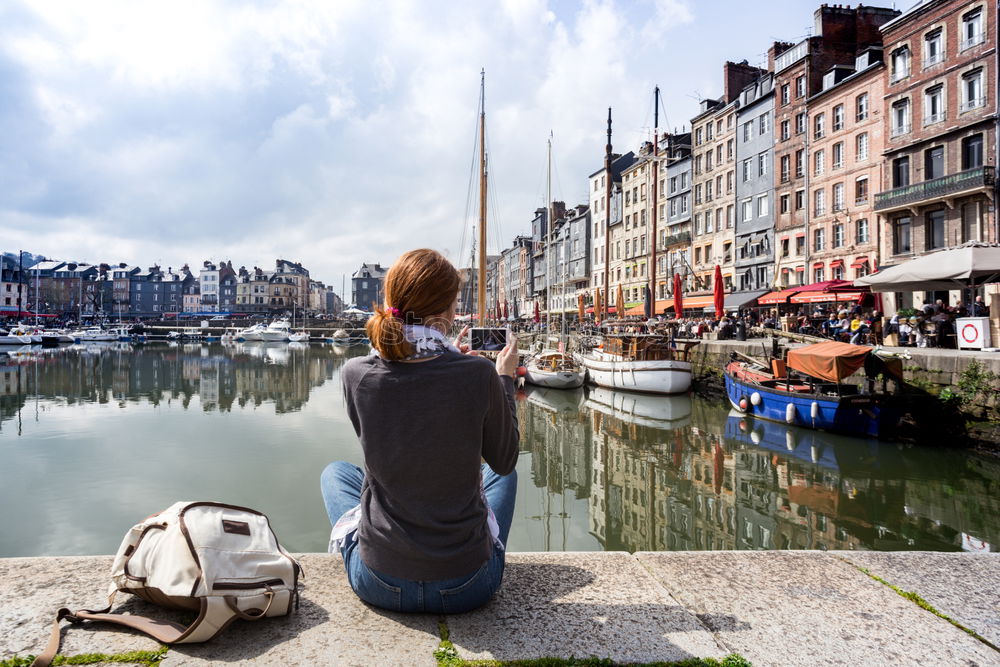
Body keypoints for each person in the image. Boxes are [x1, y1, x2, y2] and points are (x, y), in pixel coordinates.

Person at [321, 249, 520, 614]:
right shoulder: (478, 375)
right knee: (500, 475)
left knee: (336, 473)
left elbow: (392, 434)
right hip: (468, 584)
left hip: (379, 582)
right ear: (446, 311)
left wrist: (449, 360)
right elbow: (505, 460)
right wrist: (503, 378)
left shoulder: (354, 374)